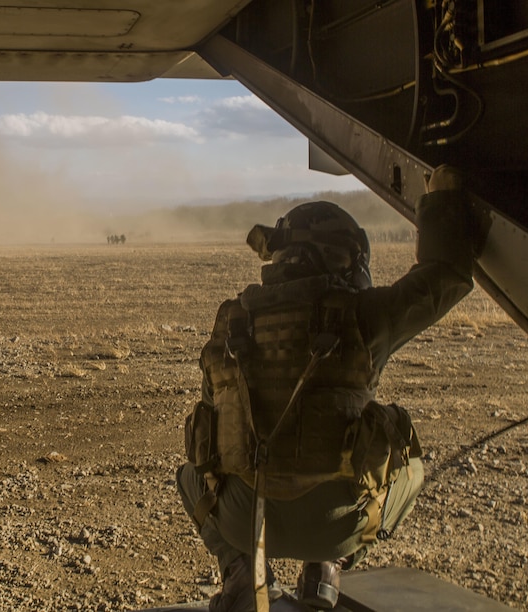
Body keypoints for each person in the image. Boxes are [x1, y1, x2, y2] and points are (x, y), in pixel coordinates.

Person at [177, 166, 484, 611]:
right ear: (345, 257)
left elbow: (211, 426)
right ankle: (328, 567)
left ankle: (241, 572)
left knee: (189, 473)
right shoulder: (365, 315)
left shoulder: (231, 320)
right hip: (334, 524)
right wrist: (443, 198)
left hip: (242, 521)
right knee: (409, 461)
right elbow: (446, 275)